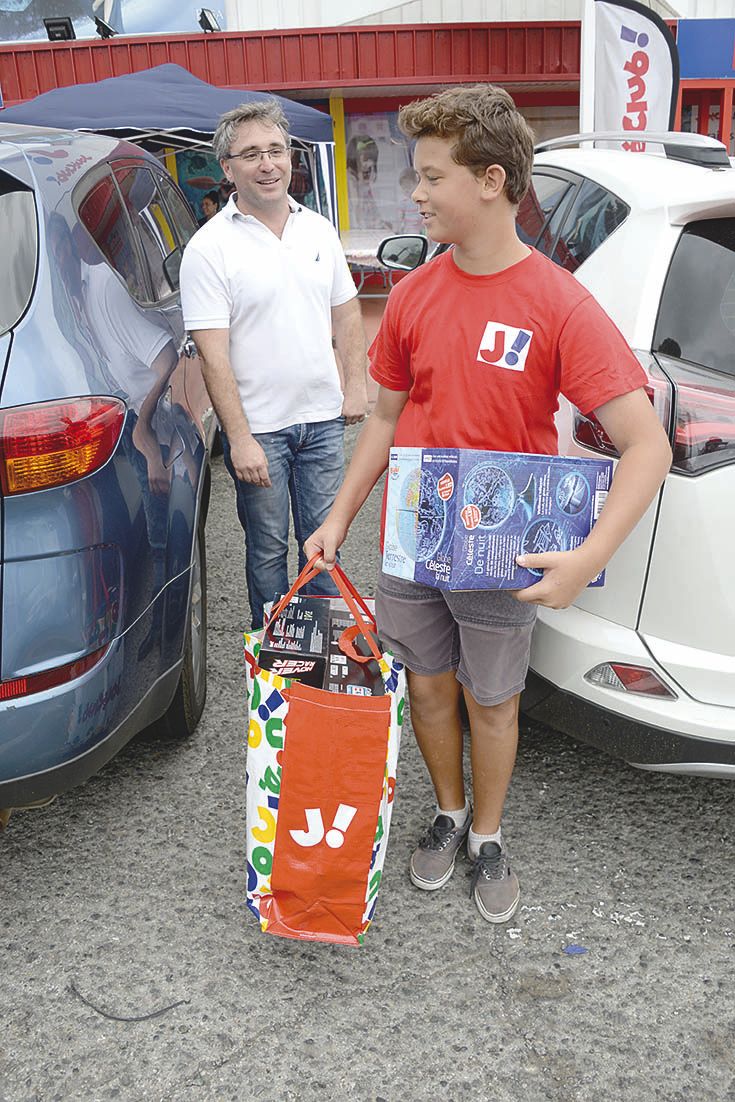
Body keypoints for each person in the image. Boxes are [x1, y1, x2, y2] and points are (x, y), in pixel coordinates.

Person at [305, 85, 672, 925]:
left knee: (493, 701)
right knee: (428, 691)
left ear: (491, 180)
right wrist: (337, 518)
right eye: (416, 176)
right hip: (414, 541)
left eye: (431, 176)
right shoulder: (411, 296)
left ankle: (489, 835)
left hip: (501, 549)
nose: (417, 193)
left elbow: (644, 444)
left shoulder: (557, 303)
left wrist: (584, 558)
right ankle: (446, 813)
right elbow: (386, 419)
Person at [180, 100, 368, 628]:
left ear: (291, 157)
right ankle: (279, 657)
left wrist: (355, 386)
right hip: (261, 431)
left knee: (325, 546)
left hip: (323, 422)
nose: (267, 164)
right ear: (228, 168)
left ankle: (326, 652)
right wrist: (238, 439)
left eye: (276, 150)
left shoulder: (317, 229)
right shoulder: (209, 248)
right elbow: (213, 355)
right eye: (251, 154)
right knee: (267, 553)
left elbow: (347, 311)